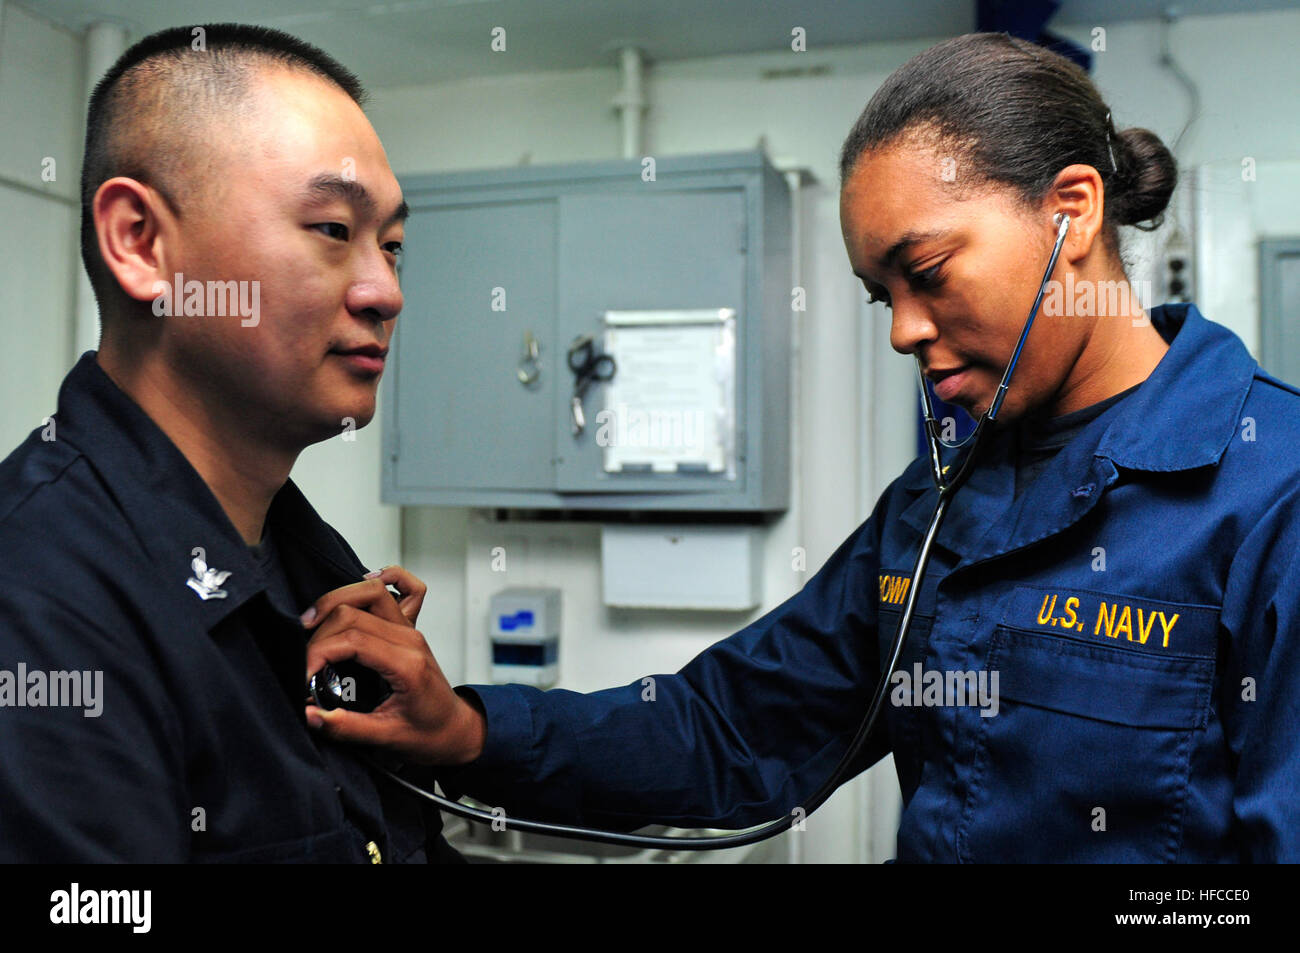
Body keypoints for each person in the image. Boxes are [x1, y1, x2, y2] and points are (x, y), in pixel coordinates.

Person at [303, 32, 1300, 862]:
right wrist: (466, 728)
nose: (904, 330)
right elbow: (727, 727)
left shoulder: (1271, 490)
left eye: (928, 271)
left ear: (1070, 212)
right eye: (882, 297)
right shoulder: (942, 504)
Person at [0, 23, 466, 862]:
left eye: (393, 246)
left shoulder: (312, 571)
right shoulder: (38, 603)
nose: (385, 290)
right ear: (143, 244)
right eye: (332, 229)